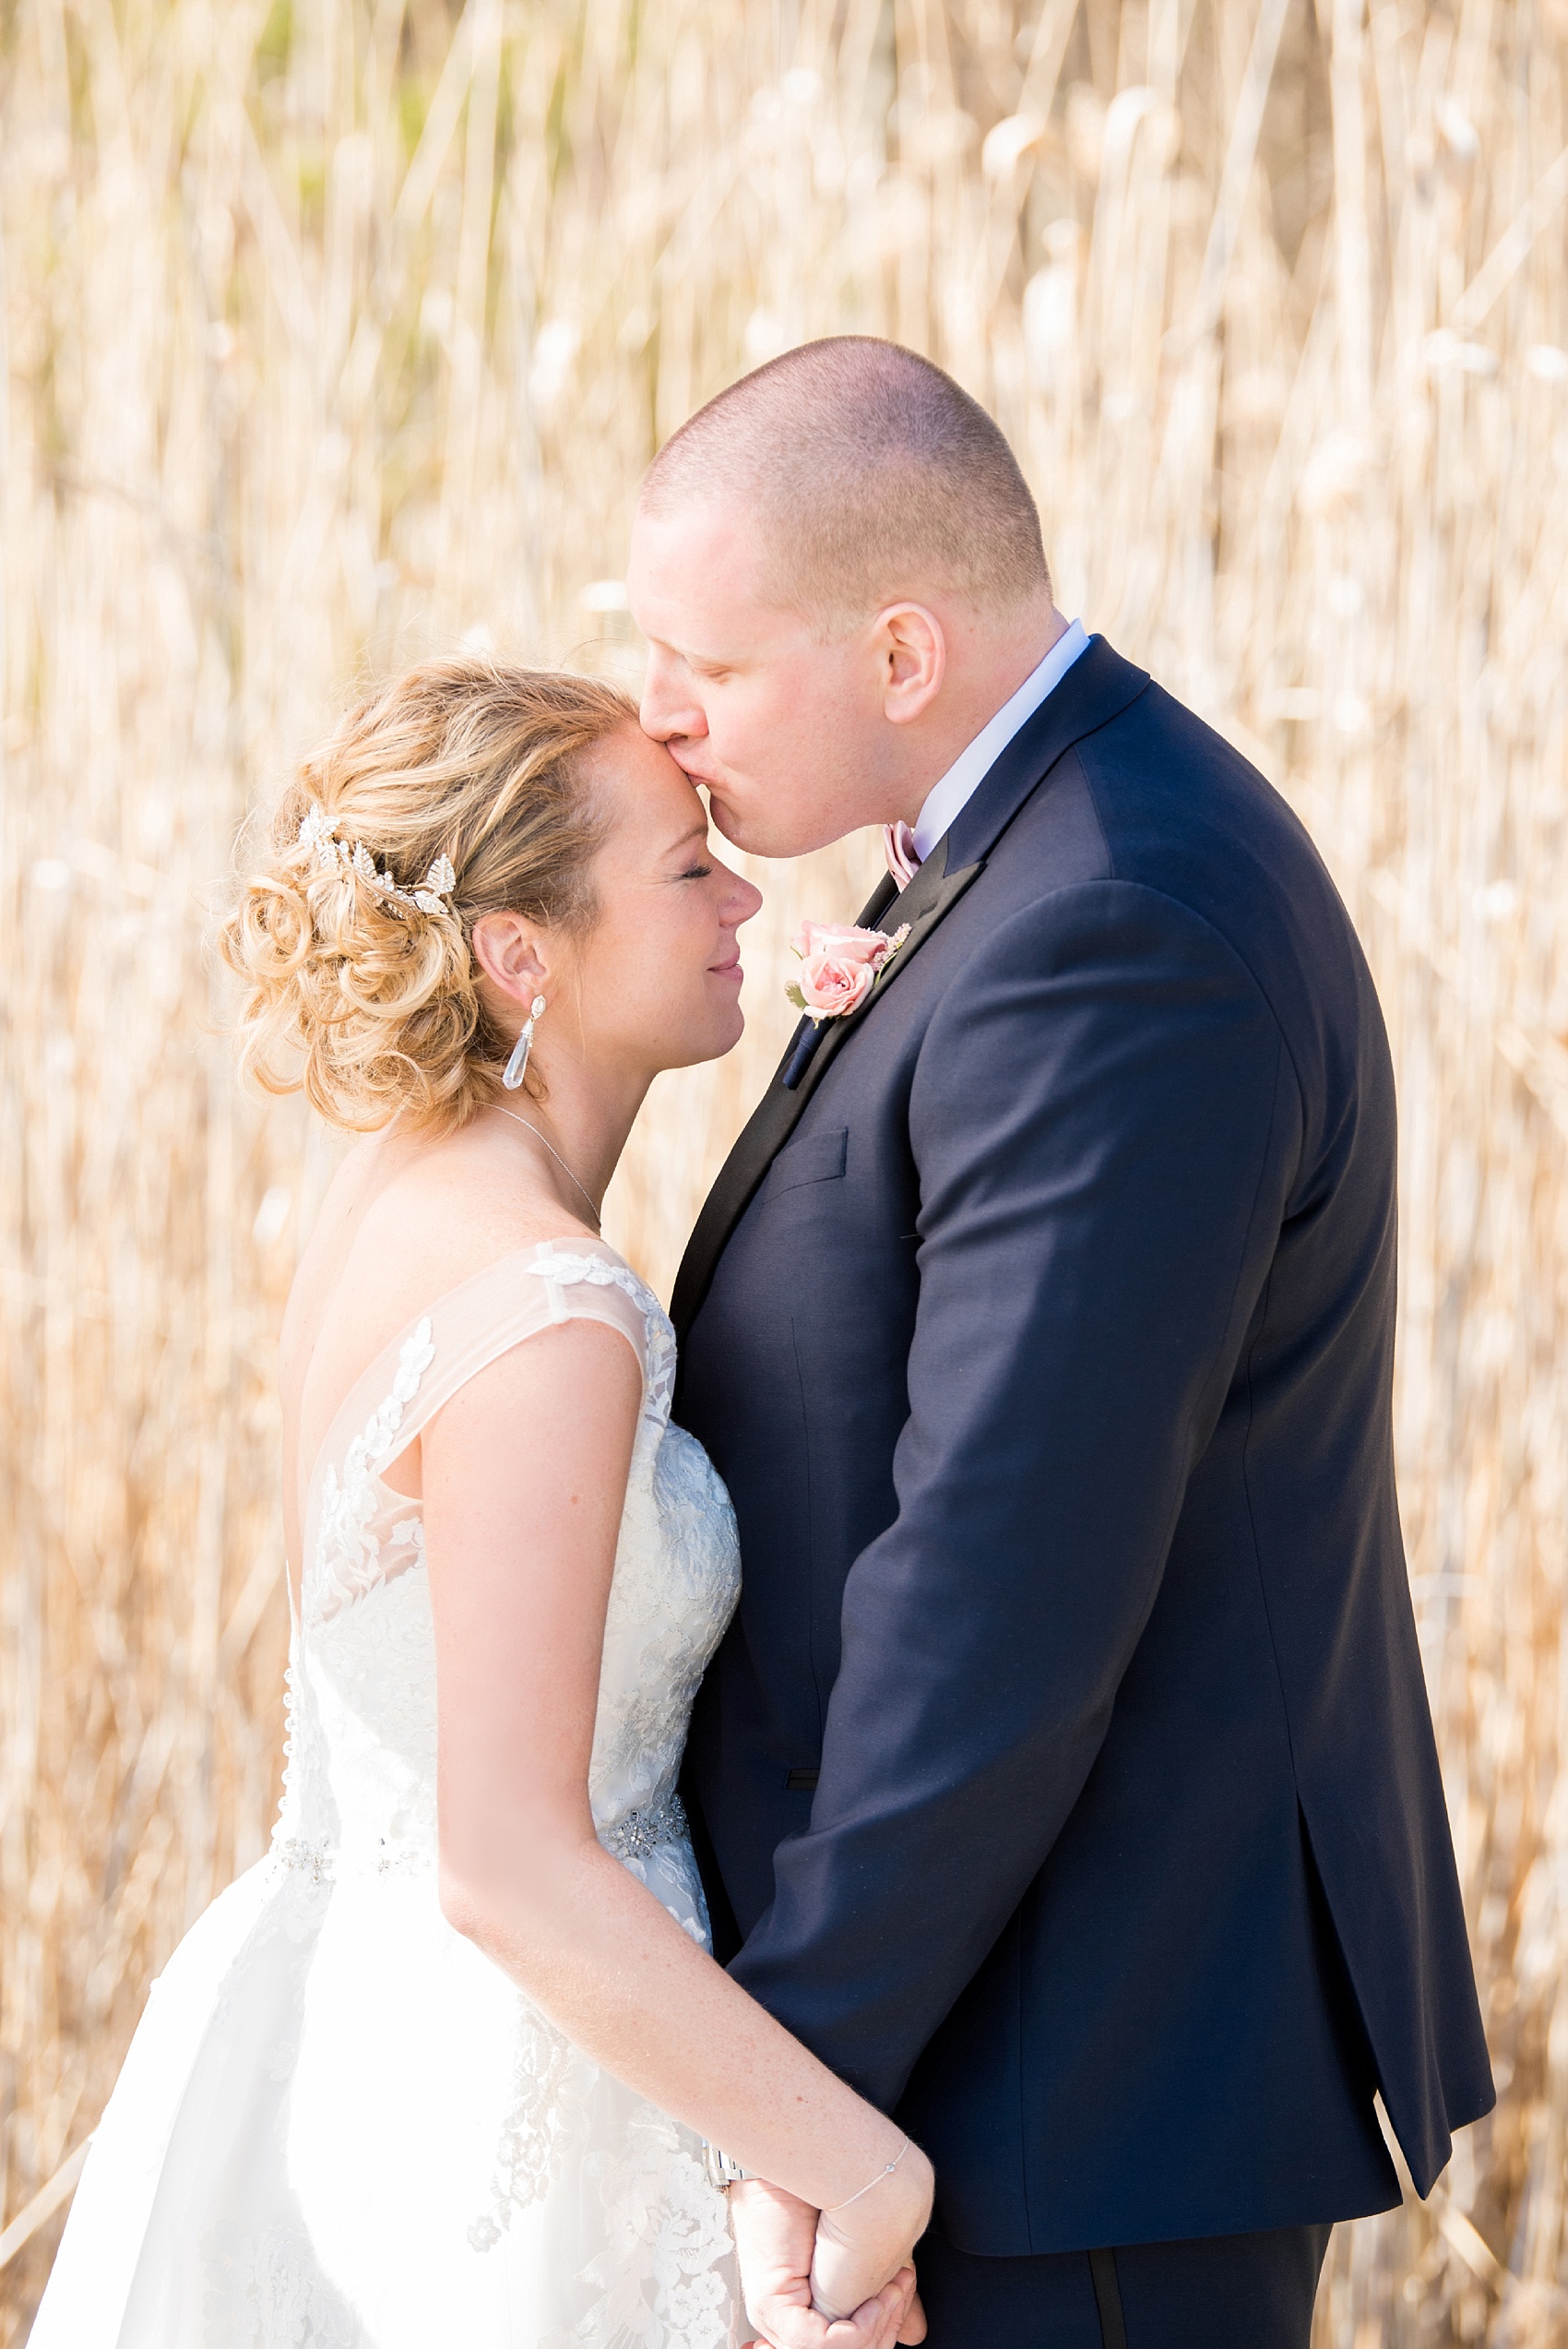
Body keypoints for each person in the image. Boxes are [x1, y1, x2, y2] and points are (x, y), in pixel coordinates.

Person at [627, 337, 1495, 2349]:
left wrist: (795, 2097)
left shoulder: (1112, 927)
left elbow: (1002, 1589)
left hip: (1066, 2076)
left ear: (903, 650)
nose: (662, 722)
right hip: (1015, 2059)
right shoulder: (1025, 860)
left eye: (712, 666)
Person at [30, 660, 932, 2349]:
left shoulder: (394, 1187)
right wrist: (859, 2171)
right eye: (686, 867)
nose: (746, 890)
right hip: (511, 2105)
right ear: (523, 951)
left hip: (332, 2023)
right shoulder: (544, 1309)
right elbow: (508, 1860)